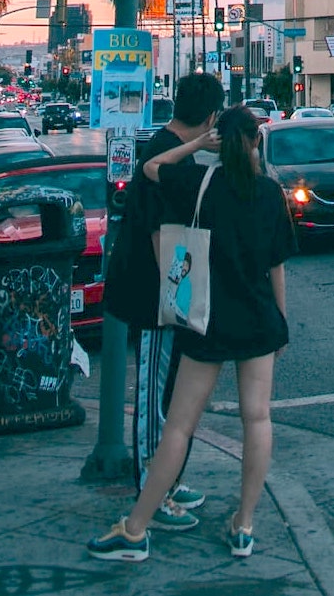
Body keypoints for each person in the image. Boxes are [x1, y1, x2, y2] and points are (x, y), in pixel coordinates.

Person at [88, 106, 294, 564]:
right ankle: (244, 525)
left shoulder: (201, 184)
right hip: (259, 320)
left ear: (220, 140)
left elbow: (151, 168)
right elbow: (276, 265)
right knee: (257, 420)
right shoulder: (269, 193)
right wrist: (281, 323)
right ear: (257, 142)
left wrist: (199, 145)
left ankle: (136, 528)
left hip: (208, 318)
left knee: (178, 426)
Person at [98, 72, 223, 524]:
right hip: (154, 296)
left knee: (168, 392)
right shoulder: (163, 156)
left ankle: (167, 480)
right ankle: (151, 490)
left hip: (168, 292)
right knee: (153, 394)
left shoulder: (168, 152)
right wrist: (174, 296)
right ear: (211, 116)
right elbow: (159, 233)